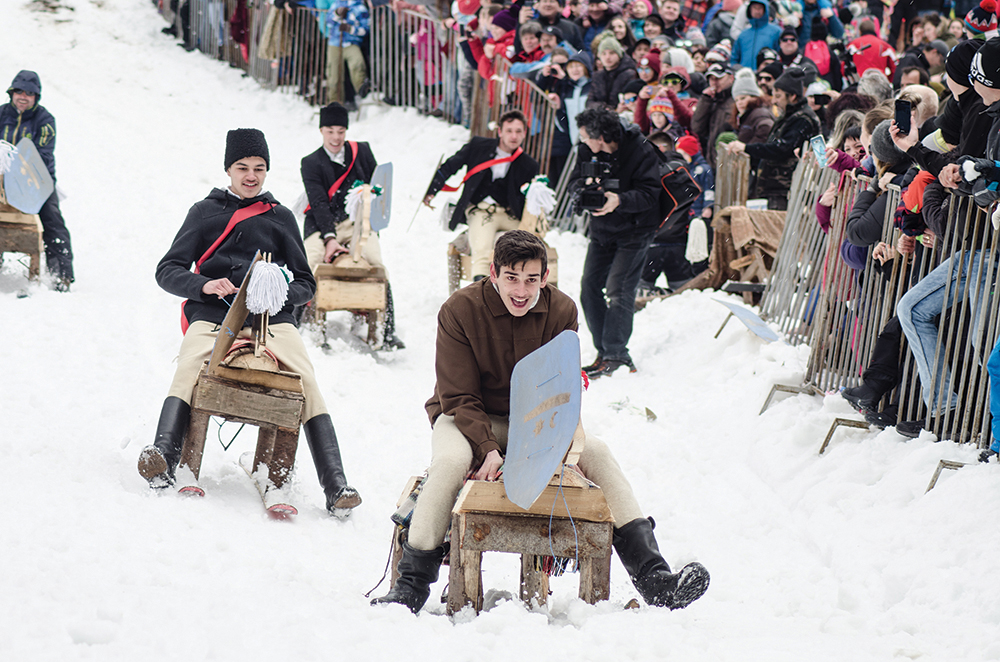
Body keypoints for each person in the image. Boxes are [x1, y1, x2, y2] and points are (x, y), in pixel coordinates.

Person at [370, 230, 710, 614]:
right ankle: (410, 588)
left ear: (544, 277)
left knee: (598, 452)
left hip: (532, 420)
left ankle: (654, 578)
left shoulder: (562, 311)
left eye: (532, 279)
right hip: (466, 417)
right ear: (494, 273)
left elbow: (560, 388)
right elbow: (459, 394)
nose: (521, 290)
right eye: (512, 278)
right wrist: (487, 450)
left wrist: (558, 436)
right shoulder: (459, 310)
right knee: (448, 463)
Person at [139, 128, 362, 516]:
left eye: (259, 168)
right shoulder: (204, 212)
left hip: (271, 319)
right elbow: (167, 270)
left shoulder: (280, 217)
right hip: (213, 314)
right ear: (228, 169)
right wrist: (205, 284)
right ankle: (163, 455)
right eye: (242, 167)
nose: (251, 176)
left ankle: (336, 484)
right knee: (190, 365)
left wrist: (277, 292)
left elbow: (307, 283)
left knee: (306, 378)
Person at [300, 102, 404, 349]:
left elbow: (378, 188)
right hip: (322, 223)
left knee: (375, 261)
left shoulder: (363, 152)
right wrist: (329, 239)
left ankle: (386, 328)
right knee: (310, 261)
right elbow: (318, 202)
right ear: (321, 131)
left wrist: (371, 217)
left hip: (357, 221)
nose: (336, 137)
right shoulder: (310, 162)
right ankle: (297, 318)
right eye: (330, 131)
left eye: (340, 131)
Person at [572, 107, 663, 377]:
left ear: (600, 136)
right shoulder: (586, 150)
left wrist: (619, 199)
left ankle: (617, 355)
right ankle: (605, 351)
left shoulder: (640, 149)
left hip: (636, 228)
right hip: (603, 229)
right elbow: (574, 182)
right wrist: (584, 189)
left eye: (586, 137)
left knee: (619, 288)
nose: (583, 142)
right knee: (589, 286)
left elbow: (650, 195)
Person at [423, 110, 538, 281]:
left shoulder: (529, 164)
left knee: (523, 251)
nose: (514, 136)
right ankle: (481, 299)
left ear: (524, 133)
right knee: (483, 253)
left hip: (509, 215)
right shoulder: (478, 146)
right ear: (500, 131)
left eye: (518, 131)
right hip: (482, 212)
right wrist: (431, 191)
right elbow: (450, 166)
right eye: (509, 131)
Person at [0, 70, 73, 290]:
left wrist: (11, 157)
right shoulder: (2, 114)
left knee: (52, 218)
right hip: (0, 176)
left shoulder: (45, 120)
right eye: (19, 91)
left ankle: (61, 275)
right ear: (12, 93)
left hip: (36, 179)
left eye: (29, 93)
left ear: (36, 97)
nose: (23, 96)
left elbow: (42, 155)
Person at [726, 66, 820, 210]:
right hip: (774, 187)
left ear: (793, 96)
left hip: (786, 189)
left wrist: (746, 148)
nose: (774, 101)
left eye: (778, 96)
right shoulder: (787, 116)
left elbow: (781, 148)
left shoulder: (804, 119)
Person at [324, 0, 370, 107]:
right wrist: (336, 14)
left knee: (357, 64)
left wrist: (351, 29)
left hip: (352, 43)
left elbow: (365, 29)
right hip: (335, 43)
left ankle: (362, 88)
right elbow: (328, 22)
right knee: (334, 74)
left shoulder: (360, 8)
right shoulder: (336, 4)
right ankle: (335, 103)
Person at [691, 62, 736, 168]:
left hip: (729, 162)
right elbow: (697, 128)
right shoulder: (711, 101)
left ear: (731, 78)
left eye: (719, 78)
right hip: (712, 161)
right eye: (711, 79)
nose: (715, 83)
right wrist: (704, 100)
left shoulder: (737, 100)